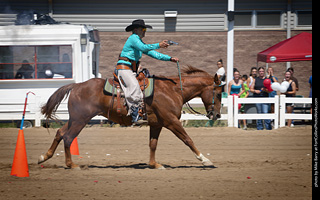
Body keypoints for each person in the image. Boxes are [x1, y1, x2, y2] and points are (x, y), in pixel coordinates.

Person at [115, 19, 179, 124]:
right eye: (143, 29)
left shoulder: (138, 41)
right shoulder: (134, 38)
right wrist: (159, 45)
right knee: (135, 87)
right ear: (136, 30)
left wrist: (169, 58)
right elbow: (144, 48)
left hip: (130, 68)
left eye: (145, 29)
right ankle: (135, 115)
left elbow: (153, 53)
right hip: (124, 68)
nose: (145, 31)